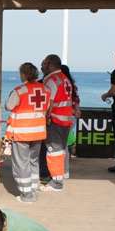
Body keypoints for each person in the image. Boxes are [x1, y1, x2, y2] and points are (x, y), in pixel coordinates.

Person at [5, 63, 50, 204]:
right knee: (34, 161)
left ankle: (26, 195)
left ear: (23, 74)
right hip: (38, 132)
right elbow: (47, 107)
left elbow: (8, 106)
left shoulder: (19, 91)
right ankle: (34, 188)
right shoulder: (45, 89)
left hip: (22, 133)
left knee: (21, 164)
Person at [40, 54, 74, 192]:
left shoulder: (52, 80)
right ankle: (61, 176)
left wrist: (45, 118)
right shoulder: (65, 78)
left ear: (50, 64)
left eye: (44, 63)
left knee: (54, 152)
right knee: (60, 150)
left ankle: (56, 182)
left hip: (55, 120)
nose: (41, 66)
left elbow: (49, 103)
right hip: (66, 119)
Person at [61, 64, 81, 179]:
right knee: (64, 145)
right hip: (72, 116)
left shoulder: (60, 84)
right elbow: (77, 100)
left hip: (63, 116)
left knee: (61, 146)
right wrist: (77, 110)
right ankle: (65, 171)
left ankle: (63, 170)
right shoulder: (73, 86)